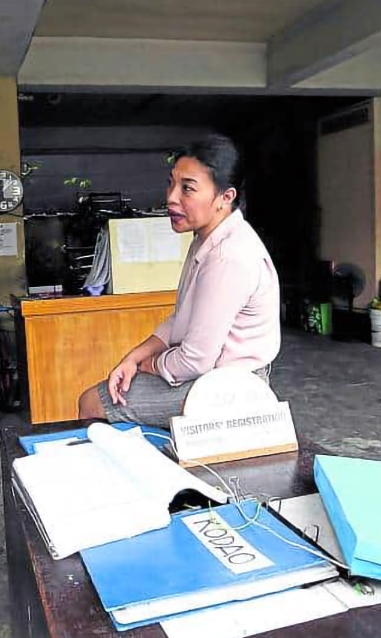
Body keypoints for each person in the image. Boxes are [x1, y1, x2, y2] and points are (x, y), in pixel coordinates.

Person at [77, 134, 280, 428]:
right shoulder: (206, 238)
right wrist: (135, 356)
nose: (171, 197)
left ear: (226, 197)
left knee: (91, 403)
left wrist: (150, 366)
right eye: (171, 183)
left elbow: (194, 361)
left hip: (227, 387)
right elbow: (183, 318)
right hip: (206, 374)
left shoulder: (228, 257)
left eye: (187, 189)